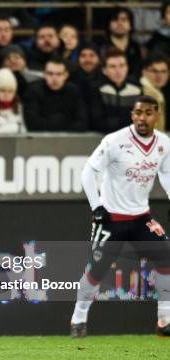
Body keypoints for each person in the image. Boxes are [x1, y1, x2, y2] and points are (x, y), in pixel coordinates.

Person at [70, 95, 170, 339]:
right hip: (112, 218)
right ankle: (78, 318)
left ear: (157, 115)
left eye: (148, 113)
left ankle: (165, 320)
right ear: (132, 115)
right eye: (138, 113)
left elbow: (167, 174)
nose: (142, 118)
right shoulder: (115, 141)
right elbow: (88, 172)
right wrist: (97, 208)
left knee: (166, 257)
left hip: (140, 217)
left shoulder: (164, 143)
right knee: (96, 270)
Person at [23, 58, 88, 131]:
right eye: (50, 74)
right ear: (44, 74)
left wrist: (52, 123)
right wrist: (63, 122)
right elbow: (32, 124)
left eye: (59, 74)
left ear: (66, 75)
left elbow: (82, 123)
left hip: (69, 139)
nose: (54, 78)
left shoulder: (74, 91)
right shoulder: (33, 91)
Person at [89, 48, 142, 134]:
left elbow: (140, 121)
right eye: (112, 66)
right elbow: (96, 122)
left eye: (122, 65)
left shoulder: (137, 90)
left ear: (127, 68)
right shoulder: (96, 89)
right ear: (104, 70)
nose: (118, 71)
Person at [99, 7, 142, 79]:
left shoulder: (139, 49)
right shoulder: (100, 48)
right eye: (115, 20)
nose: (120, 23)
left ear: (131, 25)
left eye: (124, 20)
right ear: (109, 24)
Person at [0, 68, 25, 134]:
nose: (6, 95)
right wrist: (16, 127)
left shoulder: (19, 106)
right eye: (2, 91)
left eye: (10, 91)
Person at [140, 53, 169, 131]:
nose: (159, 75)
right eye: (154, 71)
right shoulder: (141, 94)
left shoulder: (159, 94)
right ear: (144, 72)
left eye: (163, 71)